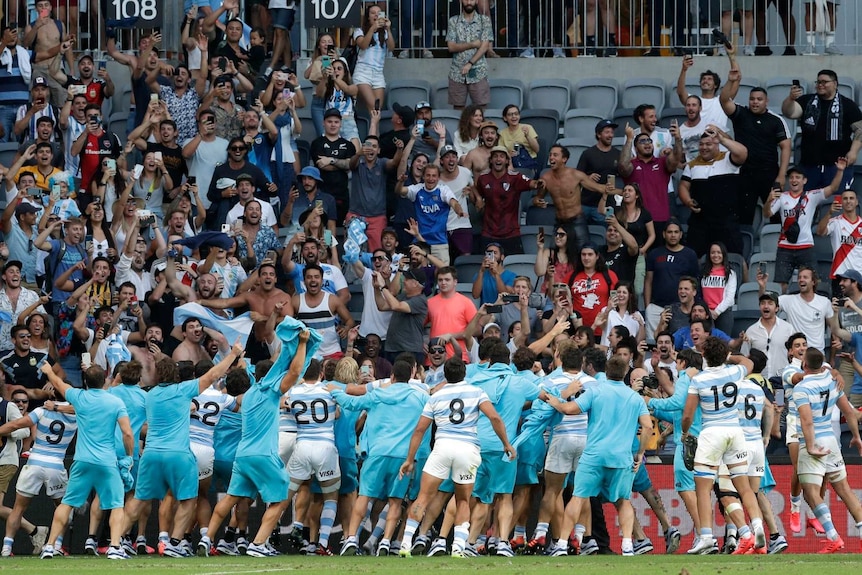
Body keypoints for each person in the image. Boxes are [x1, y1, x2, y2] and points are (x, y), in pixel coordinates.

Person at [198, 328, 310, 558]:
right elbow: (296, 369)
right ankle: (258, 543)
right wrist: (302, 344)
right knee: (280, 501)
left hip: (243, 455)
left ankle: (206, 539)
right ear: (273, 378)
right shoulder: (271, 392)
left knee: (231, 499)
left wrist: (238, 355)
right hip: (263, 455)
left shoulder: (247, 395)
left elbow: (245, 374)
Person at [398, 357, 515, 557]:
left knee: (424, 497)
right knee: (463, 500)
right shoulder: (476, 392)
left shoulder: (436, 396)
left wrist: (409, 459)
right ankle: (458, 547)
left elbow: (419, 430)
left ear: (445, 374)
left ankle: (405, 544)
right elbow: (494, 417)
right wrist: (506, 443)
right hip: (467, 450)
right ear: (464, 373)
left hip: (442, 447)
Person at [541, 355, 652, 557]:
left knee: (577, 498)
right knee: (623, 501)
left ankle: (562, 543)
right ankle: (628, 545)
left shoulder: (596, 391)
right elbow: (648, 426)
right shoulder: (634, 397)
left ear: (606, 372)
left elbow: (569, 409)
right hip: (621, 457)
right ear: (626, 373)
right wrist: (640, 453)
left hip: (594, 455)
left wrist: (555, 401)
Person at [38, 363, 134, 560]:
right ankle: (115, 547)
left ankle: (49, 546)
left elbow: (58, 383)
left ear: (86, 383)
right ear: (105, 380)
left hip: (82, 460)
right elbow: (127, 433)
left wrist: (48, 371)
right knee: (117, 505)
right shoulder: (115, 402)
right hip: (107, 462)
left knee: (66, 503)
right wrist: (129, 456)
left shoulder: (79, 397)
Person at [681, 337, 765, 554]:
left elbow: (688, 414)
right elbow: (748, 363)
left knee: (703, 487)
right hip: (735, 432)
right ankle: (755, 527)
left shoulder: (699, 380)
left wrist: (684, 432)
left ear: (704, 356)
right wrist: (730, 356)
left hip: (712, 433)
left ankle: (707, 536)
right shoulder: (734, 372)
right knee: (744, 486)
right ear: (724, 355)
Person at [793, 348, 862, 553]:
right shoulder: (832, 380)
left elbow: (806, 420)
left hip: (813, 442)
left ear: (804, 364)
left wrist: (811, 445)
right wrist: (857, 437)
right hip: (831, 440)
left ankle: (833, 537)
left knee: (811, 493)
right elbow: (848, 411)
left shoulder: (802, 388)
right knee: (845, 491)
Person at [720, 48, 791, 225]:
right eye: (752, 99)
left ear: (766, 101)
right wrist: (731, 81)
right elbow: (723, 100)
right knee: (744, 218)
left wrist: (781, 176)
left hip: (769, 173)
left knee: (776, 217)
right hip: (745, 173)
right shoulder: (741, 114)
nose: (755, 102)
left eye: (759, 99)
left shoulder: (775, 120)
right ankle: (743, 252)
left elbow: (786, 147)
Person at [764, 162, 846, 292]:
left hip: (806, 246)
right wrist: (769, 201)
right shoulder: (782, 197)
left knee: (815, 282)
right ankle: (778, 311)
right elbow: (767, 213)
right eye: (791, 177)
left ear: (804, 180)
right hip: (785, 247)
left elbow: (833, 187)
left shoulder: (811, 196)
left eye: (797, 177)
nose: (794, 180)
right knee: (781, 285)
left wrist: (840, 170)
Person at [782, 70, 862, 192]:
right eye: (818, 82)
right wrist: (790, 99)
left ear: (835, 84)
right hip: (809, 166)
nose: (820, 85)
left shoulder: (847, 104)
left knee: (835, 204)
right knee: (807, 205)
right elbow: (789, 112)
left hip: (837, 166)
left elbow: (860, 129)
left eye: (824, 82)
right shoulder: (807, 101)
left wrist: (854, 151)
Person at [677, 126, 748, 258]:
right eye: (701, 144)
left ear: (717, 145)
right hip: (700, 222)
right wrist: (687, 201)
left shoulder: (728, 159)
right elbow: (683, 186)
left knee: (733, 258)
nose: (704, 147)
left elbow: (743, 153)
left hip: (726, 222)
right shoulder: (692, 164)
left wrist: (722, 138)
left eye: (708, 144)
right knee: (695, 258)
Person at [474, 146, 542, 255]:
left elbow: (533, 184)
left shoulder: (515, 178)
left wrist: (540, 183)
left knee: (514, 266)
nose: (498, 159)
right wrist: (477, 198)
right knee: (488, 266)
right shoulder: (483, 178)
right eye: (495, 156)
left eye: (501, 156)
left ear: (507, 160)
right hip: (489, 232)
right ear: (491, 160)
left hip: (511, 233)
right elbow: (475, 189)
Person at [618, 123, 682, 236]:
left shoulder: (662, 162)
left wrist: (677, 139)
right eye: (642, 142)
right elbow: (623, 166)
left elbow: (675, 160)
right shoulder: (632, 165)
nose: (647, 143)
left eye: (649, 141)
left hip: (660, 218)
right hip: (636, 219)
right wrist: (629, 140)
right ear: (635, 148)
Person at [644, 220, 700, 341]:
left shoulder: (690, 255)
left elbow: (695, 282)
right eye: (670, 232)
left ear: (681, 234)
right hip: (656, 306)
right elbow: (648, 280)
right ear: (664, 234)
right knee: (654, 343)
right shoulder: (654, 254)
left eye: (676, 232)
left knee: (680, 342)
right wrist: (648, 305)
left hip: (681, 308)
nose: (673, 235)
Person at [310, 108, 357, 224]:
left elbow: (350, 165)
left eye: (336, 122)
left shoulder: (348, 145)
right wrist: (342, 164)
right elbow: (322, 165)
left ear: (340, 124)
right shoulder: (317, 143)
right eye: (329, 121)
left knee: (340, 225)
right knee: (322, 224)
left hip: (341, 193)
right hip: (321, 192)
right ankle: (325, 242)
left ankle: (335, 243)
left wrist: (331, 160)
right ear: (323, 123)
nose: (333, 125)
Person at [374, 267, 428, 364]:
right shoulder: (403, 296)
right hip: (392, 349)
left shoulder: (420, 300)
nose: (404, 281)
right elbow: (382, 306)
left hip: (409, 351)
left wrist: (383, 286)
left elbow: (396, 306)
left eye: (407, 279)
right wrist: (376, 288)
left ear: (415, 283)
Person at [445, 0, 492, 110]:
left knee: (481, 109)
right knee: (458, 110)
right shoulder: (453, 21)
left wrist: (470, 63)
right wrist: (472, 44)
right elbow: (451, 47)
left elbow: (484, 46)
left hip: (479, 71)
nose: (468, 2)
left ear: (476, 1)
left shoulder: (484, 20)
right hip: (457, 72)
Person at [740, 291, 795, 380]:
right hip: (759, 381)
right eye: (763, 303)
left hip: (782, 380)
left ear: (777, 308)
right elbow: (744, 357)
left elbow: (795, 356)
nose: (766, 306)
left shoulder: (788, 329)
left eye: (770, 303)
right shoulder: (751, 330)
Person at [577, 119, 622, 226]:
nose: (610, 135)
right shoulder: (588, 153)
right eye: (607, 132)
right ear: (598, 134)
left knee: (608, 233)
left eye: (612, 132)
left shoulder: (618, 154)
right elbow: (577, 176)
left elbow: (623, 176)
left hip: (608, 204)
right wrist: (587, 177)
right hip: (586, 203)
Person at [427, 267, 477, 361]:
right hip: (435, 357)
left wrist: (451, 336)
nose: (443, 283)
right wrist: (421, 344)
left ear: (455, 282)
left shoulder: (466, 302)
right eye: (440, 280)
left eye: (447, 280)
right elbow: (417, 325)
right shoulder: (430, 302)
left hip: (459, 357)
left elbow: (477, 330)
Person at [570, 243, 619, 339]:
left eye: (590, 254)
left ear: (597, 256)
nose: (586, 258)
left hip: (601, 328)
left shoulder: (609, 275)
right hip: (576, 329)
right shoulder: (572, 275)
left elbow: (617, 300)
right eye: (583, 254)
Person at [352, 5, 394, 113]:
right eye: (373, 13)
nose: (376, 15)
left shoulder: (383, 32)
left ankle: (375, 130)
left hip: (378, 73)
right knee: (374, 106)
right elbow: (363, 45)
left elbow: (391, 48)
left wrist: (388, 30)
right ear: (368, 17)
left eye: (378, 13)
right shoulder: (359, 30)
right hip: (363, 72)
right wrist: (372, 29)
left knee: (376, 109)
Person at [818, 188, 862, 286]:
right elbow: (820, 232)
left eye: (851, 198)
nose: (848, 201)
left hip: (859, 277)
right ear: (841, 202)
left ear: (856, 202)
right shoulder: (835, 222)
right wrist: (829, 213)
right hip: (840, 276)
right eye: (845, 198)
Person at [675, 59, 729, 130]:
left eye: (709, 79)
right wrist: (684, 70)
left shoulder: (722, 101)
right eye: (703, 79)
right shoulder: (693, 100)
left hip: (718, 139)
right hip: (697, 139)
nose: (705, 81)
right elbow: (680, 92)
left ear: (715, 85)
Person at [699, 242, 737, 336]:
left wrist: (717, 312)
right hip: (706, 313)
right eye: (713, 252)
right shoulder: (703, 273)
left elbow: (730, 298)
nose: (716, 255)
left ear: (723, 254)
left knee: (723, 343)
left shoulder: (730, 273)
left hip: (723, 313)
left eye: (719, 252)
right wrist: (707, 311)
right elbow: (700, 294)